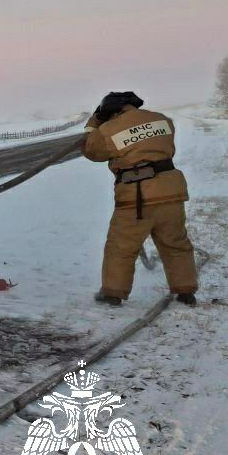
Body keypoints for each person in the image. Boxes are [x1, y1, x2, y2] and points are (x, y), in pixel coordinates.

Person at [83, 91, 198, 306]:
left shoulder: (108, 129)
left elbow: (91, 150)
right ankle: (185, 292)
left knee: (122, 246)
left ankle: (113, 294)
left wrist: (94, 122)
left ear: (110, 110)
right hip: (171, 191)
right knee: (176, 243)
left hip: (137, 198)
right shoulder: (162, 119)